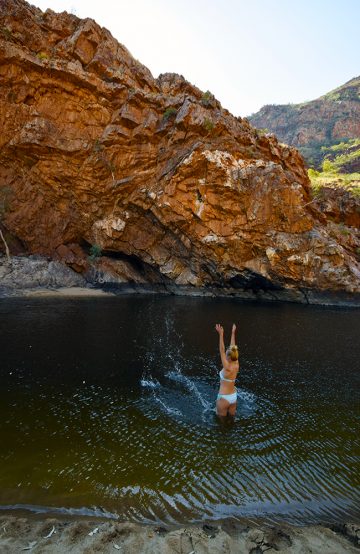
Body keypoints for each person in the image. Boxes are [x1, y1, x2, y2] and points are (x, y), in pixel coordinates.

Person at [215, 323, 239, 419]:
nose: (225, 353)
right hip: (233, 397)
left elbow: (221, 349)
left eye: (226, 353)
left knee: (221, 423)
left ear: (228, 357)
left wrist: (221, 334)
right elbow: (233, 347)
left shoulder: (227, 366)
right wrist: (233, 333)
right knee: (231, 420)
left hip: (224, 398)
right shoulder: (236, 363)